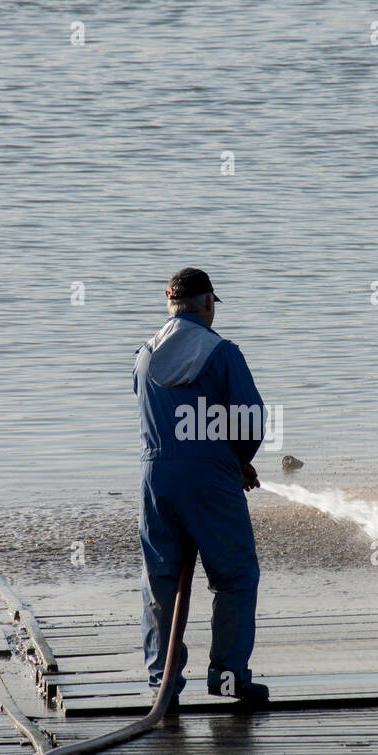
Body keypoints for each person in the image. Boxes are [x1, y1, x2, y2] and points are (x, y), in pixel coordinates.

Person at [133, 268, 269, 709]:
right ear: (208, 304)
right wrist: (237, 459)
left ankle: (163, 687)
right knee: (235, 576)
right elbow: (249, 422)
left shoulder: (144, 355)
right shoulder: (221, 352)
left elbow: (154, 420)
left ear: (170, 304)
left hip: (155, 479)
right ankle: (228, 678)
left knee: (161, 581)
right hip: (209, 481)